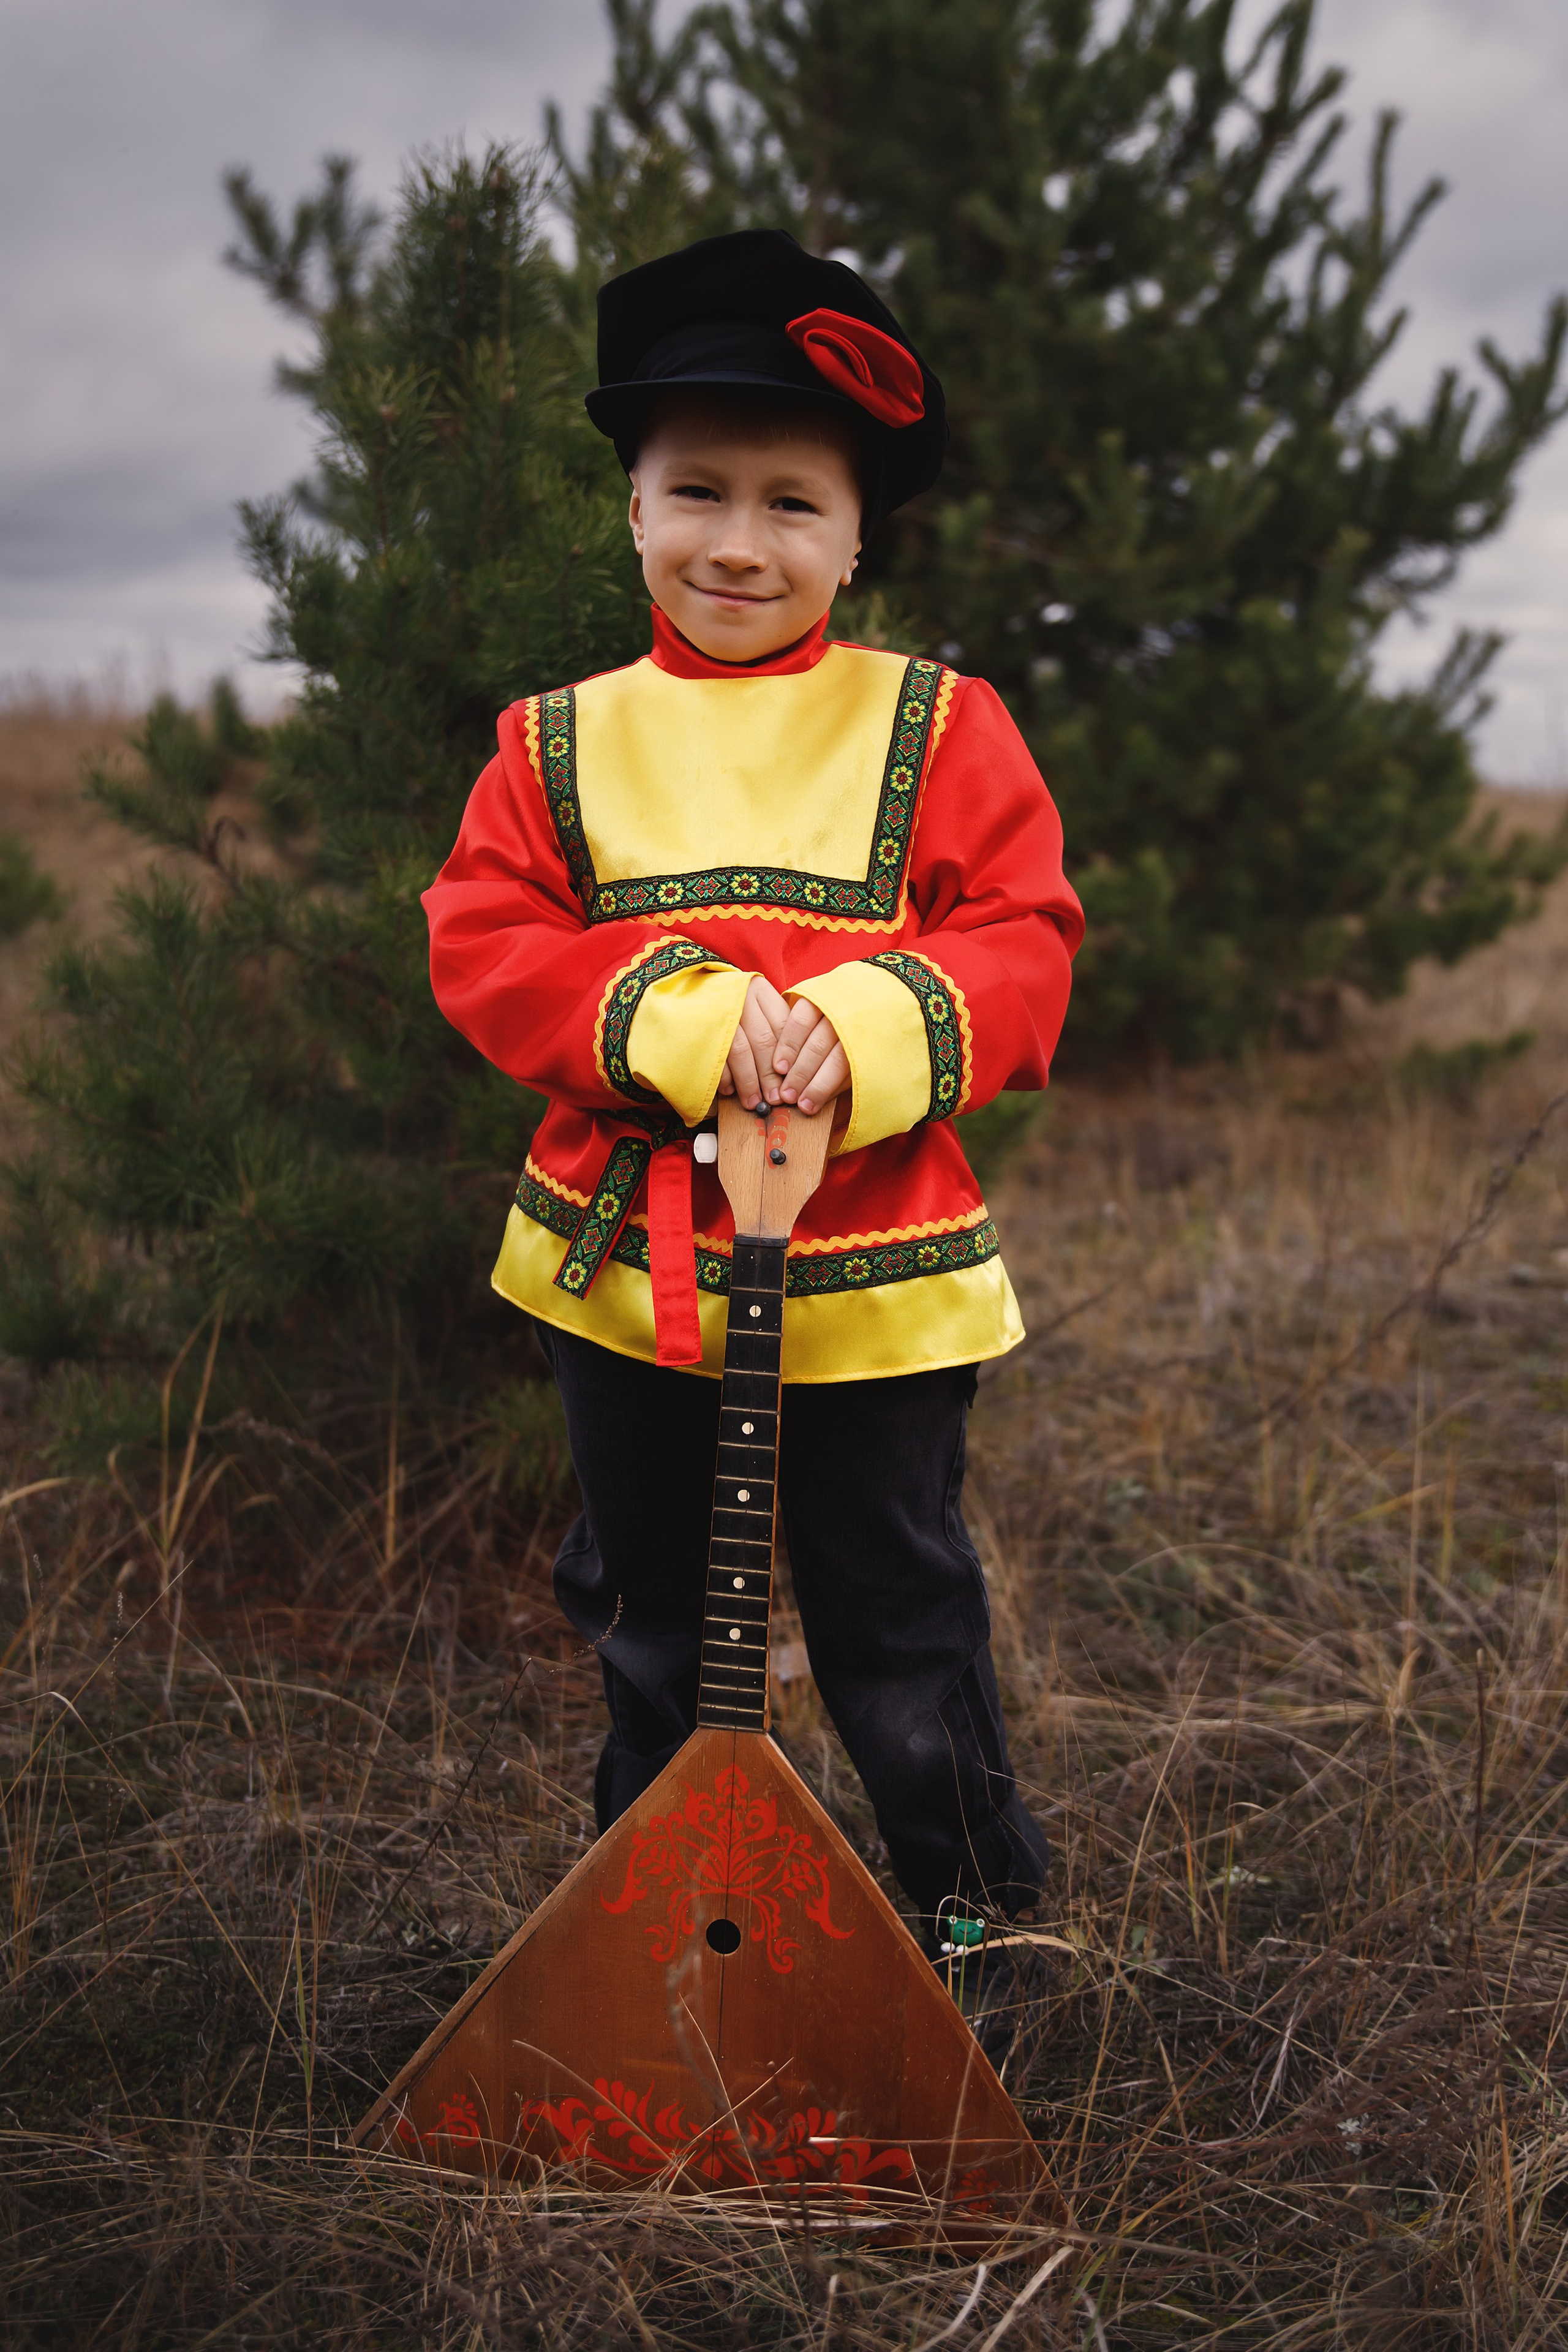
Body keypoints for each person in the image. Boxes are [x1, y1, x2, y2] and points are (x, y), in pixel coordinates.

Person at [423, 229, 1084, 2071]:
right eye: (695, 488)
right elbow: (486, 939)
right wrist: (690, 1029)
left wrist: (859, 1041)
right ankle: (653, 1937)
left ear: (857, 536)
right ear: (630, 509)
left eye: (793, 501)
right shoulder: (556, 744)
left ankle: (979, 1932)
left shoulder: (940, 725)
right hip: (628, 1278)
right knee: (648, 1621)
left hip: (876, 1282)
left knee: (898, 1620)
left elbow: (1024, 939)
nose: (738, 539)